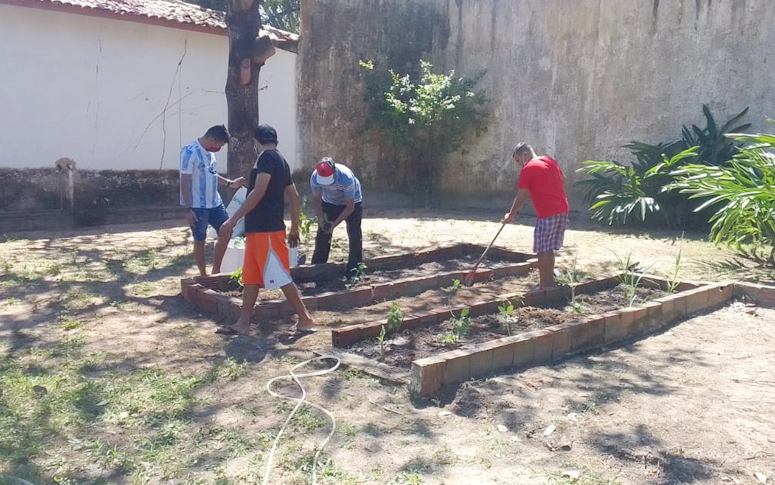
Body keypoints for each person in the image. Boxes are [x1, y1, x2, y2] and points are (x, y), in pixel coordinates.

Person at [218, 124, 315, 335]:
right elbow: (294, 196)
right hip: (259, 229)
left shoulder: (265, 159)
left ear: (256, 141)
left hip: (266, 229)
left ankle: (305, 319)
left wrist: (233, 219)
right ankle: (243, 323)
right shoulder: (281, 160)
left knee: (280, 275)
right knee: (251, 277)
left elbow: (258, 192)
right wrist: (295, 228)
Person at [180, 124, 245, 277]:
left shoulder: (210, 153)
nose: (219, 148)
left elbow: (212, 174)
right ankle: (203, 275)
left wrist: (230, 183)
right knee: (200, 239)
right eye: (219, 145)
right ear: (212, 140)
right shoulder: (190, 152)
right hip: (197, 205)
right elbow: (184, 181)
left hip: (215, 203)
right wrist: (188, 209)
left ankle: (216, 270)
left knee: (226, 231)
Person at [502, 143, 570, 288]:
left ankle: (545, 285)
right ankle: (549, 283)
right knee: (549, 247)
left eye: (518, 161)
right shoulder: (549, 160)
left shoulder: (528, 169)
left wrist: (511, 214)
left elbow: (520, 197)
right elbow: (563, 179)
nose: (520, 165)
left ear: (525, 155)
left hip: (548, 212)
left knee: (541, 249)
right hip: (562, 209)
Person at [309, 157, 364, 276]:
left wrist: (333, 225)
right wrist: (321, 219)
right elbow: (316, 200)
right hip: (329, 202)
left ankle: (355, 270)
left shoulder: (346, 177)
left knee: (354, 235)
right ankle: (317, 268)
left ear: (334, 172)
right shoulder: (315, 177)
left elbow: (350, 207)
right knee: (323, 234)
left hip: (352, 202)